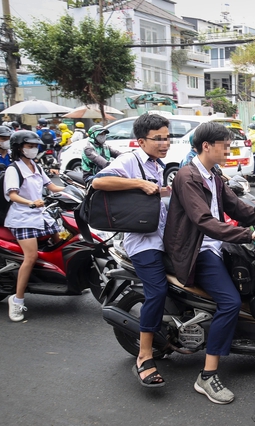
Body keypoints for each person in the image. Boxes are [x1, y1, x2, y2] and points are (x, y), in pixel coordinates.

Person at [164, 121, 255, 404]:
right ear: (206, 146)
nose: (228, 150)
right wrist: (249, 234)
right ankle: (207, 375)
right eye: (224, 146)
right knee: (230, 302)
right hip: (197, 250)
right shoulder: (187, 177)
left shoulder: (212, 174)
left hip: (214, 245)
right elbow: (204, 222)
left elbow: (238, 207)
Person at [92, 113, 172, 388]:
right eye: (158, 139)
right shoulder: (130, 160)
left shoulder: (157, 164)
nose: (165, 143)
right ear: (141, 141)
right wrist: (139, 183)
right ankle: (145, 356)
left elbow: (154, 197)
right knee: (157, 291)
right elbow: (99, 182)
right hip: (142, 242)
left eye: (167, 137)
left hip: (163, 236)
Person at [4, 131, 67, 322]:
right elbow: (13, 195)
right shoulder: (13, 169)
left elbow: (53, 187)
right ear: (19, 148)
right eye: (30, 146)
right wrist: (30, 203)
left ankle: (60, 280)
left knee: (62, 241)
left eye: (35, 146)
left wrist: (79, 189)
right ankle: (16, 301)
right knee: (30, 257)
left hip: (42, 215)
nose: (34, 149)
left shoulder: (36, 166)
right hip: (23, 217)